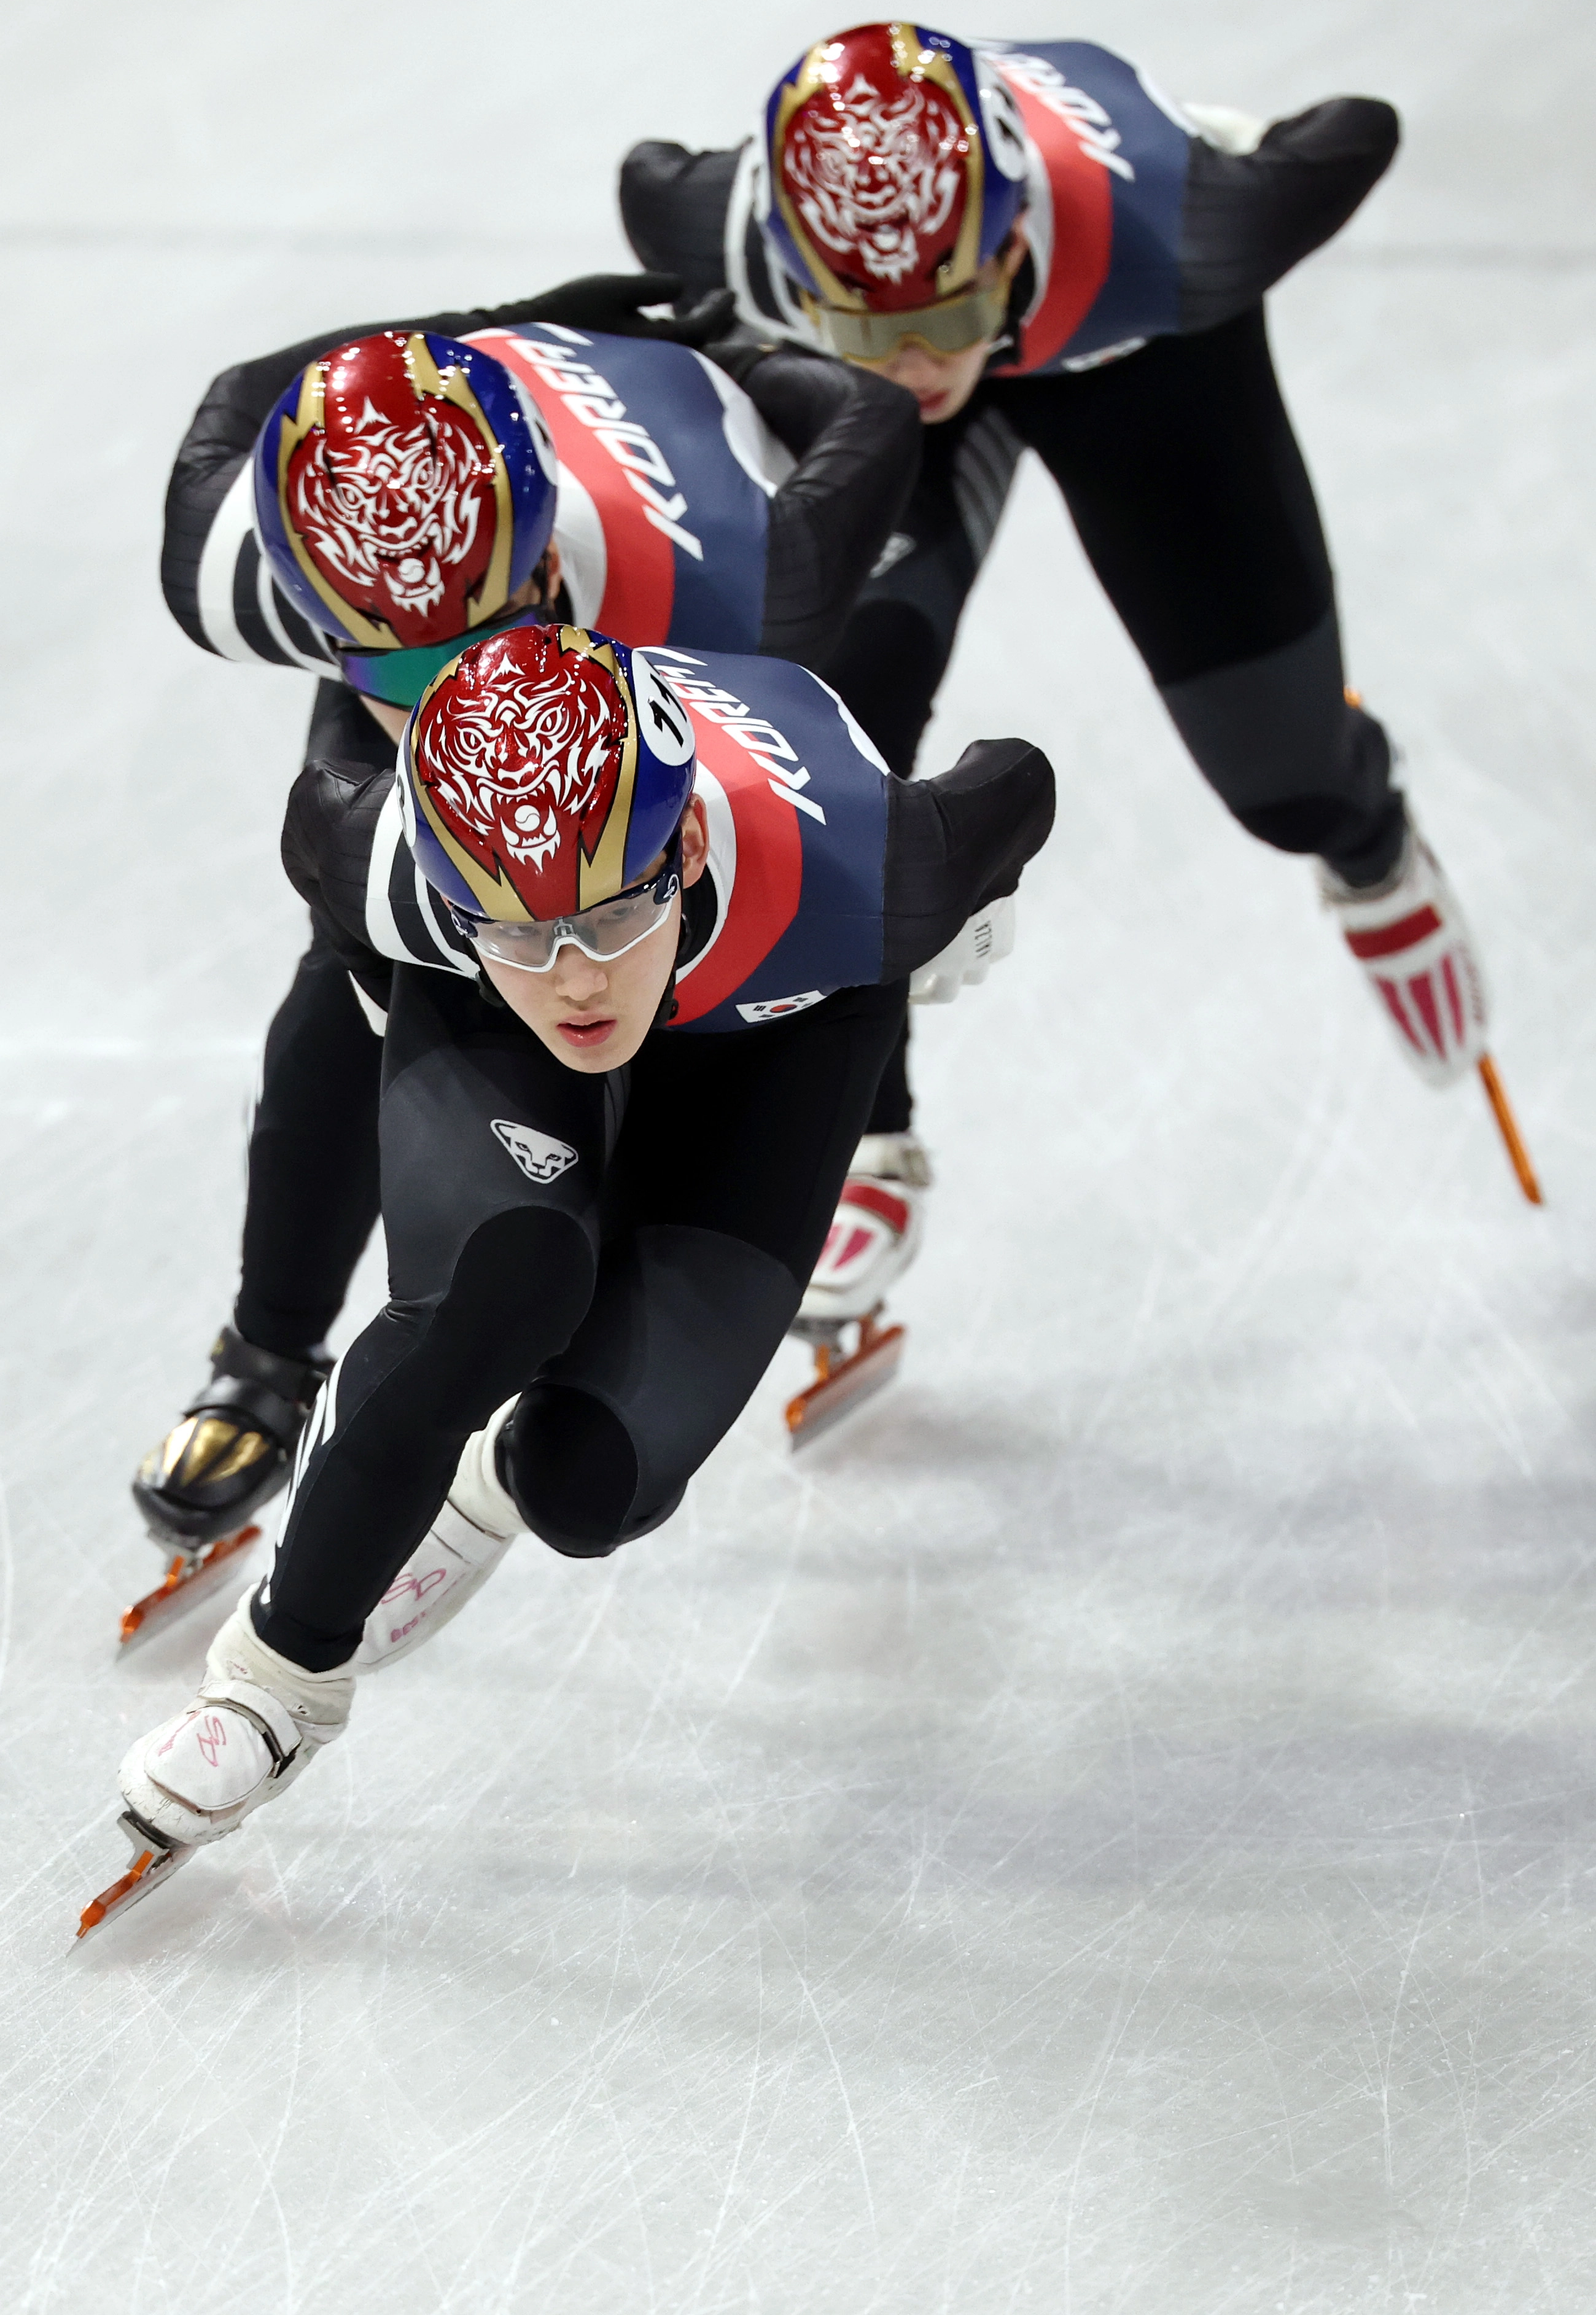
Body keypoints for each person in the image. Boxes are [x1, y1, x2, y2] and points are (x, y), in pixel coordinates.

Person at [101, 620, 1053, 1888]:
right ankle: (269, 1692)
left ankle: (486, 1481)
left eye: (608, 921)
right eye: (527, 935)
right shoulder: (395, 866)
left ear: (689, 844)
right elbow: (319, 842)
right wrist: (390, 985)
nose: (577, 981)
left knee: (590, 1483)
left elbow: (1017, 780)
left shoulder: (878, 868)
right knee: (499, 1281)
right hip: (486, 984)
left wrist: (970, 911)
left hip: (782, 1023)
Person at [620, 22, 1490, 1320]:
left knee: (1280, 777)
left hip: (1142, 357)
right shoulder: (727, 226)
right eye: (865, 321)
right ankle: (866, 1125)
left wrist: (1228, 145)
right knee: (819, 729)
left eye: (949, 315)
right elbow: (649, 175)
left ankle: (1363, 836)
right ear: (795, 271)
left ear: (1015, 234)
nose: (915, 363)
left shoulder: (1189, 222)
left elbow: (1356, 128)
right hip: (910, 415)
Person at [133, 275, 922, 1573]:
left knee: (809, 858)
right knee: (350, 968)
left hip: (655, 648)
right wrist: (500, 322)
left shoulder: (744, 577)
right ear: (313, 623)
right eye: (404, 666)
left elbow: (879, 420)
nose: (450, 687)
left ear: (546, 567)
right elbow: (243, 398)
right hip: (435, 579)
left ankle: (875, 1121)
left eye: (476, 635)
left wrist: (754, 364)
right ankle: (266, 1354)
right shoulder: (238, 572)